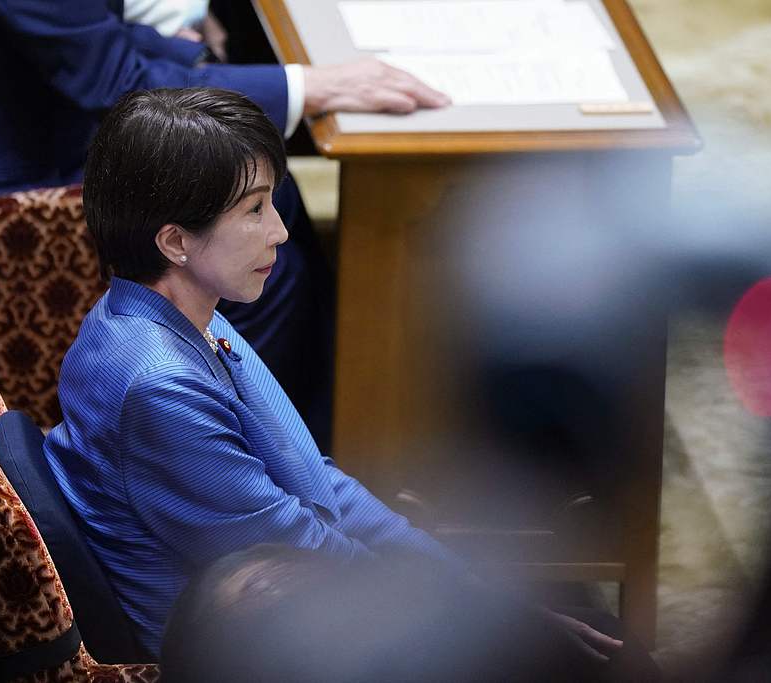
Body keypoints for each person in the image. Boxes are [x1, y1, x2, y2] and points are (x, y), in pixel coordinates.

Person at [0, 0, 449, 449]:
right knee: (246, 222)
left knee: (267, 212)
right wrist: (311, 86)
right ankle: (232, 457)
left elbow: (93, 34)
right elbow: (111, 79)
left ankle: (316, 446)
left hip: (24, 129)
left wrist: (188, 59)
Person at [42, 88, 460, 657]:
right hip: (233, 652)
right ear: (176, 241)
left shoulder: (184, 314)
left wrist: (459, 583)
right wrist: (458, 615)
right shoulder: (158, 386)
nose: (279, 233)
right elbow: (299, 549)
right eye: (254, 210)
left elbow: (314, 476)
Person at [161, 544, 660, 682]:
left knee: (598, 637)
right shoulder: (161, 385)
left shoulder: (221, 339)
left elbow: (322, 484)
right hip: (232, 634)